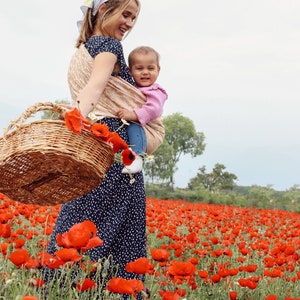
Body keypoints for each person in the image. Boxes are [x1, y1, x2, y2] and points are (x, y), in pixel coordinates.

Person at [44, 0, 163, 298]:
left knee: (81, 220)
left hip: (100, 145)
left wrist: (77, 120)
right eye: (125, 14)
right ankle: (114, 290)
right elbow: (95, 88)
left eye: (134, 18)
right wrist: (76, 116)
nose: (129, 23)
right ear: (105, 9)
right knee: (117, 232)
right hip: (115, 148)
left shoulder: (82, 50)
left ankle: (58, 288)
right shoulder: (108, 47)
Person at [117, 46, 168, 174]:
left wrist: (133, 114)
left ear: (158, 70)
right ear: (130, 71)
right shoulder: (130, 87)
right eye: (139, 68)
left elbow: (153, 110)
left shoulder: (156, 91)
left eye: (150, 68)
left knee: (134, 126)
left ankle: (137, 159)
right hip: (138, 133)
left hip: (150, 132)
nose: (145, 72)